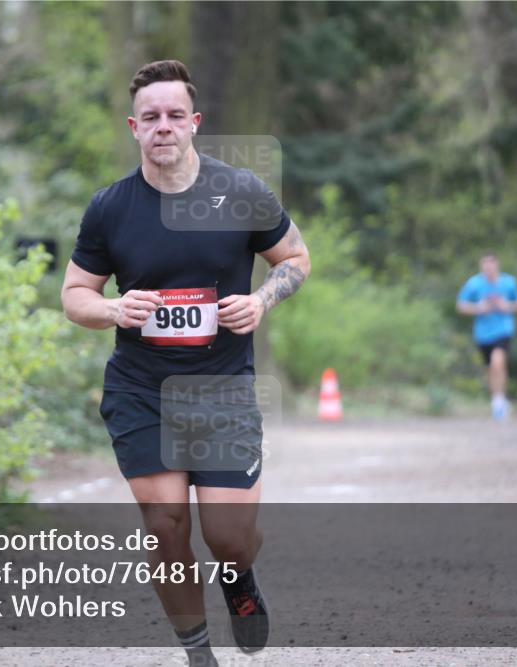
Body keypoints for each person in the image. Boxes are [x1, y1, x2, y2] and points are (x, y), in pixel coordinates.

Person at [61, 60, 310, 666]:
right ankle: (197, 653)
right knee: (167, 523)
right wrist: (115, 309)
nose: (163, 127)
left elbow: (295, 258)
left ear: (194, 123)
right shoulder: (111, 208)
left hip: (223, 389)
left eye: (175, 116)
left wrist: (260, 299)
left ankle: (239, 578)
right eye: (151, 118)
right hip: (142, 390)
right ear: (134, 128)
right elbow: (74, 296)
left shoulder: (242, 191)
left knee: (227, 538)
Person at [456, 253, 517, 421]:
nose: (488, 269)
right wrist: (478, 308)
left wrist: (505, 306)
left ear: (497, 265)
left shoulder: (509, 283)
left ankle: (499, 401)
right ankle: (497, 399)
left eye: (490, 265)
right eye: (484, 266)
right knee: (491, 368)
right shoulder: (474, 284)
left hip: (503, 331)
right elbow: (461, 305)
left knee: (497, 362)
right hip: (482, 334)